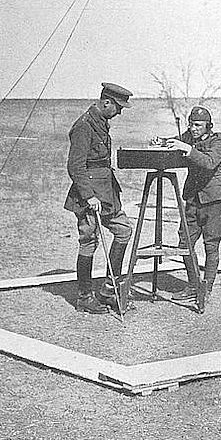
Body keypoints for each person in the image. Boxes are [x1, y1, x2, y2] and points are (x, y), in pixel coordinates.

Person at [64, 82, 133, 314]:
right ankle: (84, 297)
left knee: (123, 230)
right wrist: (89, 196)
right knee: (89, 241)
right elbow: (75, 166)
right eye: (118, 107)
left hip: (106, 192)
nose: (120, 112)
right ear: (106, 102)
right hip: (90, 196)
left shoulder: (100, 122)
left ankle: (108, 290)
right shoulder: (84, 126)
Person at [152, 106, 221, 304]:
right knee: (185, 243)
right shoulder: (190, 138)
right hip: (193, 200)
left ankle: (206, 289)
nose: (193, 129)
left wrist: (187, 148)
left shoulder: (218, 142)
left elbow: (209, 162)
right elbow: (176, 141)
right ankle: (194, 285)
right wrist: (162, 141)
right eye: (191, 125)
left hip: (214, 202)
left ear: (208, 126)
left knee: (211, 246)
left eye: (198, 125)